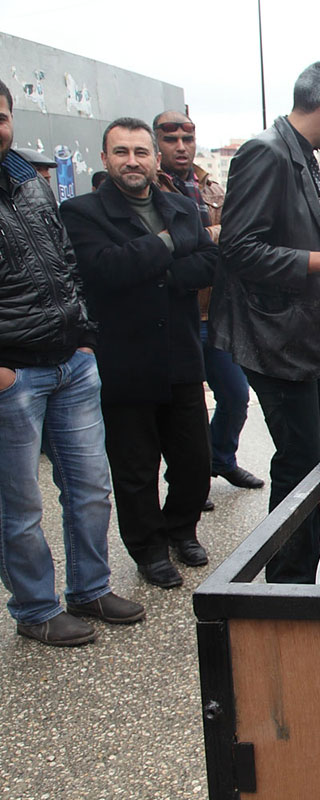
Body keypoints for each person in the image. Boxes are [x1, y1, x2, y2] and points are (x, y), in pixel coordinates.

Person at [211, 61, 320, 584]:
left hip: (303, 333)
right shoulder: (266, 151)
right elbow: (238, 249)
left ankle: (299, 566)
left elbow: (291, 234)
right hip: (273, 337)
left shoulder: (299, 152)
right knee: (299, 458)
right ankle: (290, 574)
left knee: (305, 457)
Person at [0, 80, 144, 645]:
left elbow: (64, 261)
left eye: (2, 115)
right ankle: (36, 609)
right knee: (21, 504)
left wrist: (84, 336)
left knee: (89, 487)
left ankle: (90, 588)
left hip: (71, 363)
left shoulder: (28, 184)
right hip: (14, 375)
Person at [61, 117, 217, 588]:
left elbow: (209, 262)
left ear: (154, 159)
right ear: (105, 158)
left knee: (193, 461)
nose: (133, 161)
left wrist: (156, 268)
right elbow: (106, 269)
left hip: (182, 357)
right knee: (135, 468)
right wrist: (170, 246)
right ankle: (149, 549)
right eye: (122, 152)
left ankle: (180, 529)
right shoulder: (82, 213)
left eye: (141, 152)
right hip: (125, 363)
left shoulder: (180, 206)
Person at [152, 110, 263, 501]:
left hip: (216, 312)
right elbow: (178, 244)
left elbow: (235, 235)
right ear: (157, 143)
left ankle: (219, 458)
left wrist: (203, 237)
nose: (180, 147)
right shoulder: (149, 188)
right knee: (184, 411)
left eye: (187, 138)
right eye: (170, 139)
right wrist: (209, 235)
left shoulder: (210, 185)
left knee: (234, 395)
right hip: (174, 315)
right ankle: (188, 481)